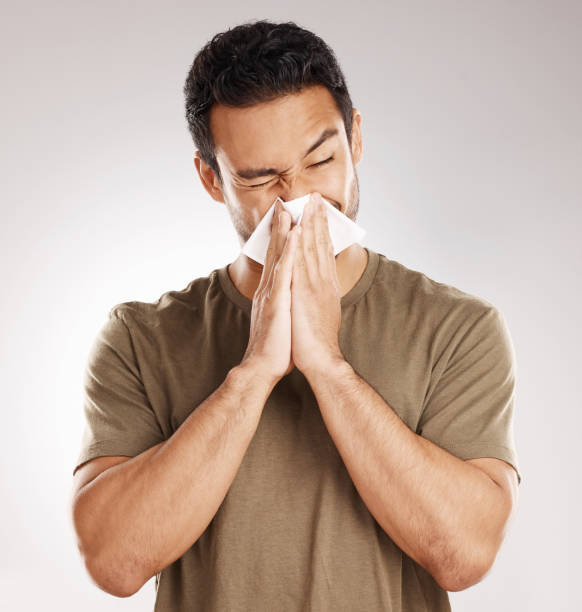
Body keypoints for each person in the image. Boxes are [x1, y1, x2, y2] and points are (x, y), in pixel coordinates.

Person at [69, 19, 521, 612]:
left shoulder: (457, 328)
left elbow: (465, 557)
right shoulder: (141, 338)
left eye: (320, 160)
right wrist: (254, 371)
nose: (300, 197)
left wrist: (329, 368)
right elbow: (113, 563)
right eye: (261, 179)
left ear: (355, 140)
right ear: (213, 179)